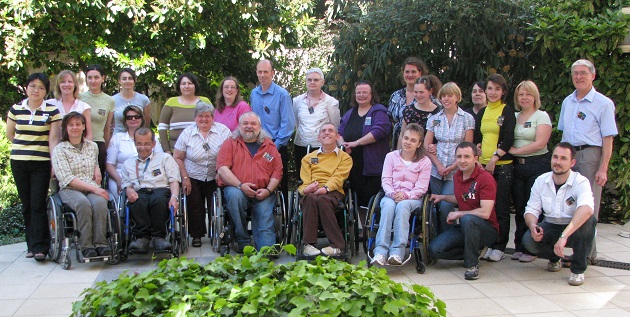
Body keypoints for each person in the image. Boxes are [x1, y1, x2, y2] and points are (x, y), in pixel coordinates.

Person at [558, 59, 617, 261]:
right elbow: (563, 134)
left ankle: (586, 255)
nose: (579, 77)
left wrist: (603, 168)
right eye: (575, 73)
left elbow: (608, 138)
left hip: (591, 156)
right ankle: (573, 251)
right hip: (569, 157)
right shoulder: (567, 101)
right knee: (570, 203)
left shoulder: (603, 103)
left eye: (583, 73)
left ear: (593, 75)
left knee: (588, 205)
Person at [522, 142, 596, 286]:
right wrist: (532, 226)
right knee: (528, 241)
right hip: (551, 224)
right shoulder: (541, 181)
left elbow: (586, 209)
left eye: (563, 158)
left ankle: (577, 270)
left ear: (572, 162)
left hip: (574, 228)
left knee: (588, 221)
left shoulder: (580, 182)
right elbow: (531, 210)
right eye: (555, 157)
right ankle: (555, 258)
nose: (558, 162)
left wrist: (564, 236)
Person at [7, 73, 62, 261]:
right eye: (32, 86)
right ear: (26, 88)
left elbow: (53, 139)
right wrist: (25, 148)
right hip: (19, 162)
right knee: (26, 204)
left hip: (41, 163)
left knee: (38, 203)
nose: (35, 90)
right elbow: (10, 134)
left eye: (40, 87)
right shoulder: (16, 109)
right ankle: (30, 245)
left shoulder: (52, 111)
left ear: (46, 91)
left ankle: (41, 247)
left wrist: (53, 162)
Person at [428, 142, 499, 280]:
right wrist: (442, 197)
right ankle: (473, 251)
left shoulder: (485, 178)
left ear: (475, 158)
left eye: (467, 156)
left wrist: (459, 213)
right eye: (459, 156)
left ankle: (472, 265)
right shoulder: (458, 176)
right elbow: (461, 198)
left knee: (467, 219)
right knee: (434, 250)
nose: (462, 160)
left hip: (487, 228)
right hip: (466, 227)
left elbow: (485, 212)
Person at [216, 112, 282, 252]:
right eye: (245, 123)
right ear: (239, 126)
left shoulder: (269, 146)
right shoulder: (230, 144)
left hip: (263, 192)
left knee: (268, 249)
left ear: (259, 127)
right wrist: (240, 185)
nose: (249, 127)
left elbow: (277, 172)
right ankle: (242, 239)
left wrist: (268, 190)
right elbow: (222, 169)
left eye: (253, 124)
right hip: (237, 189)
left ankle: (265, 249)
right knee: (235, 196)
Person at [52, 112, 111, 258]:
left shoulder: (92, 147)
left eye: (78, 124)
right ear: (65, 128)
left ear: (84, 126)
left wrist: (97, 170)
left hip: (90, 186)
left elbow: (94, 163)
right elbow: (66, 178)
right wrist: (94, 189)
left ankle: (101, 243)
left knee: (100, 203)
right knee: (83, 204)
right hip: (70, 188)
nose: (75, 127)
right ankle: (86, 246)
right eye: (71, 125)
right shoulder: (60, 149)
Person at [371, 123, 431, 266]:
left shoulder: (425, 162)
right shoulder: (391, 157)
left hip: (413, 199)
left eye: (413, 140)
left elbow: (422, 188)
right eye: (406, 138)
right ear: (401, 138)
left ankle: (397, 252)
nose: (408, 142)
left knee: (403, 206)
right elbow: (385, 180)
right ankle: (380, 252)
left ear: (419, 144)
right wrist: (392, 193)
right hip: (391, 195)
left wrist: (406, 196)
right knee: (388, 206)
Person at [173, 102, 231, 248]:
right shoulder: (187, 133)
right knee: (195, 206)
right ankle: (196, 235)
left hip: (216, 174)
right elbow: (178, 157)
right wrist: (185, 177)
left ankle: (218, 234)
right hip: (192, 175)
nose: (204, 119)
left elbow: (231, 154)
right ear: (195, 118)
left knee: (217, 206)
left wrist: (221, 171)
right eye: (200, 116)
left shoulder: (223, 131)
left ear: (213, 117)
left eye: (207, 116)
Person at [473, 74, 515, 262]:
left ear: (503, 91)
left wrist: (495, 158)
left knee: (500, 207)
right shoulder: (482, 112)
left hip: (502, 167)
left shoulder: (507, 111)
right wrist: (479, 149)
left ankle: (499, 246)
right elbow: (477, 138)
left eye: (497, 89)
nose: (493, 92)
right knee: (484, 207)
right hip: (483, 166)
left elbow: (508, 139)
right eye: (490, 88)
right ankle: (488, 243)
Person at [508, 80, 552, 262]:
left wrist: (516, 151)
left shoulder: (541, 116)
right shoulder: (514, 115)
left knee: (533, 208)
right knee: (519, 208)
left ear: (535, 97)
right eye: (521, 94)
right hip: (517, 166)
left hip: (537, 165)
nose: (524, 97)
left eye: (528, 94)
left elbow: (540, 143)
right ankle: (519, 246)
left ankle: (533, 248)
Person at [120, 127, 181, 253]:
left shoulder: (165, 158)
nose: (143, 147)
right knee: (137, 200)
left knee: (158, 200)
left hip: (160, 189)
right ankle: (142, 238)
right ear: (135, 144)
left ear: (153, 143)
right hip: (140, 190)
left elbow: (174, 180)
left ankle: (159, 237)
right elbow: (127, 184)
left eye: (147, 144)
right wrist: (129, 190)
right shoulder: (128, 164)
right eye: (139, 144)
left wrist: (174, 198)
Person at [425, 83, 475, 234]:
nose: (446, 99)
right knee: (435, 204)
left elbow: (468, 146)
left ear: (457, 98)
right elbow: (427, 145)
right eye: (443, 96)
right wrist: (439, 165)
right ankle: (436, 237)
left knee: (446, 203)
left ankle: (448, 238)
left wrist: (453, 166)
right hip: (436, 169)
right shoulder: (434, 119)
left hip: (457, 170)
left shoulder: (467, 118)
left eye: (450, 95)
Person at [299, 123, 352, 257]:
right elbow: (304, 182)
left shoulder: (345, 157)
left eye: (330, 131)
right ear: (319, 138)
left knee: (322, 199)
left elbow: (339, 177)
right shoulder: (308, 158)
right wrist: (307, 189)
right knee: (310, 198)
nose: (326, 133)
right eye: (323, 131)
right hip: (312, 189)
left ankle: (337, 245)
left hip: (333, 191)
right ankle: (308, 245)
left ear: (337, 136)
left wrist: (325, 188)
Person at [338, 81, 391, 210]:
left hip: (372, 166)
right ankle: (360, 228)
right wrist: (343, 145)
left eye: (365, 92)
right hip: (352, 165)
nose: (361, 95)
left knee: (371, 202)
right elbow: (339, 132)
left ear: (372, 94)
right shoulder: (350, 113)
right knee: (357, 201)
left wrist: (356, 143)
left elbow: (379, 131)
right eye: (358, 92)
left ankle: (371, 228)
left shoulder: (378, 111)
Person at [250, 59, 294, 198]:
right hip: (257, 144)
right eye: (260, 72)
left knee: (279, 181)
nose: (262, 75)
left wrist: (275, 146)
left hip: (276, 145)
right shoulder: (254, 94)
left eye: (266, 72)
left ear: (272, 73)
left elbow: (288, 124)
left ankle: (283, 217)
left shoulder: (282, 94)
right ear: (256, 73)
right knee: (258, 178)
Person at [106, 105, 164, 201]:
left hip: (149, 177)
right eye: (129, 117)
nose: (133, 119)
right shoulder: (117, 138)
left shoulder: (152, 138)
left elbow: (160, 159)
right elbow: (109, 164)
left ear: (142, 119)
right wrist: (118, 180)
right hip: (121, 176)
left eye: (137, 116)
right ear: (125, 120)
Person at [293, 68, 341, 174]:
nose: (312, 82)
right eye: (309, 80)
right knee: (303, 177)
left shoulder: (331, 102)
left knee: (321, 176)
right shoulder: (297, 101)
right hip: (301, 145)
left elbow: (335, 125)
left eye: (316, 80)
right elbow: (297, 122)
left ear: (322, 82)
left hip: (323, 147)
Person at [158, 73, 212, 154]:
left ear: (195, 85)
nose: (187, 86)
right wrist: (167, 150)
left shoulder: (205, 101)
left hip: (201, 153)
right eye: (183, 83)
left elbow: (214, 124)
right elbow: (162, 127)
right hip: (175, 152)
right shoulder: (171, 102)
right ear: (179, 86)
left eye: (190, 83)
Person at [79, 64, 115, 175]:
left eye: (96, 77)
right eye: (90, 77)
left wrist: (105, 147)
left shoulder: (109, 101)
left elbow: (107, 129)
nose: (93, 81)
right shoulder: (79, 97)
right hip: (80, 143)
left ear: (103, 78)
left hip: (99, 144)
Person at [387, 57, 429, 148]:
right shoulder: (396, 96)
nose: (410, 75)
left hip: (421, 146)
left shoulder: (428, 97)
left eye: (413, 72)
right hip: (398, 144)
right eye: (407, 72)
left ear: (420, 73)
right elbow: (389, 119)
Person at [397, 75, 442, 149]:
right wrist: (399, 155)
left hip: (431, 154)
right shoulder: (408, 110)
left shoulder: (439, 112)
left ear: (430, 91)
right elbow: (402, 134)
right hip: (410, 152)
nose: (418, 95)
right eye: (415, 92)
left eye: (421, 92)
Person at [46, 70, 93, 140]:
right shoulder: (50, 104)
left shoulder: (84, 107)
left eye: (70, 82)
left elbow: (89, 135)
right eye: (63, 82)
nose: (66, 84)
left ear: (75, 85)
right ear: (58, 85)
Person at [112, 68, 151, 133]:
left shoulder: (144, 100)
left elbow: (146, 124)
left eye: (130, 78)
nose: (127, 81)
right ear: (119, 81)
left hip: (138, 138)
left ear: (135, 80)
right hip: (118, 138)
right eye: (124, 79)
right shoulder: (112, 100)